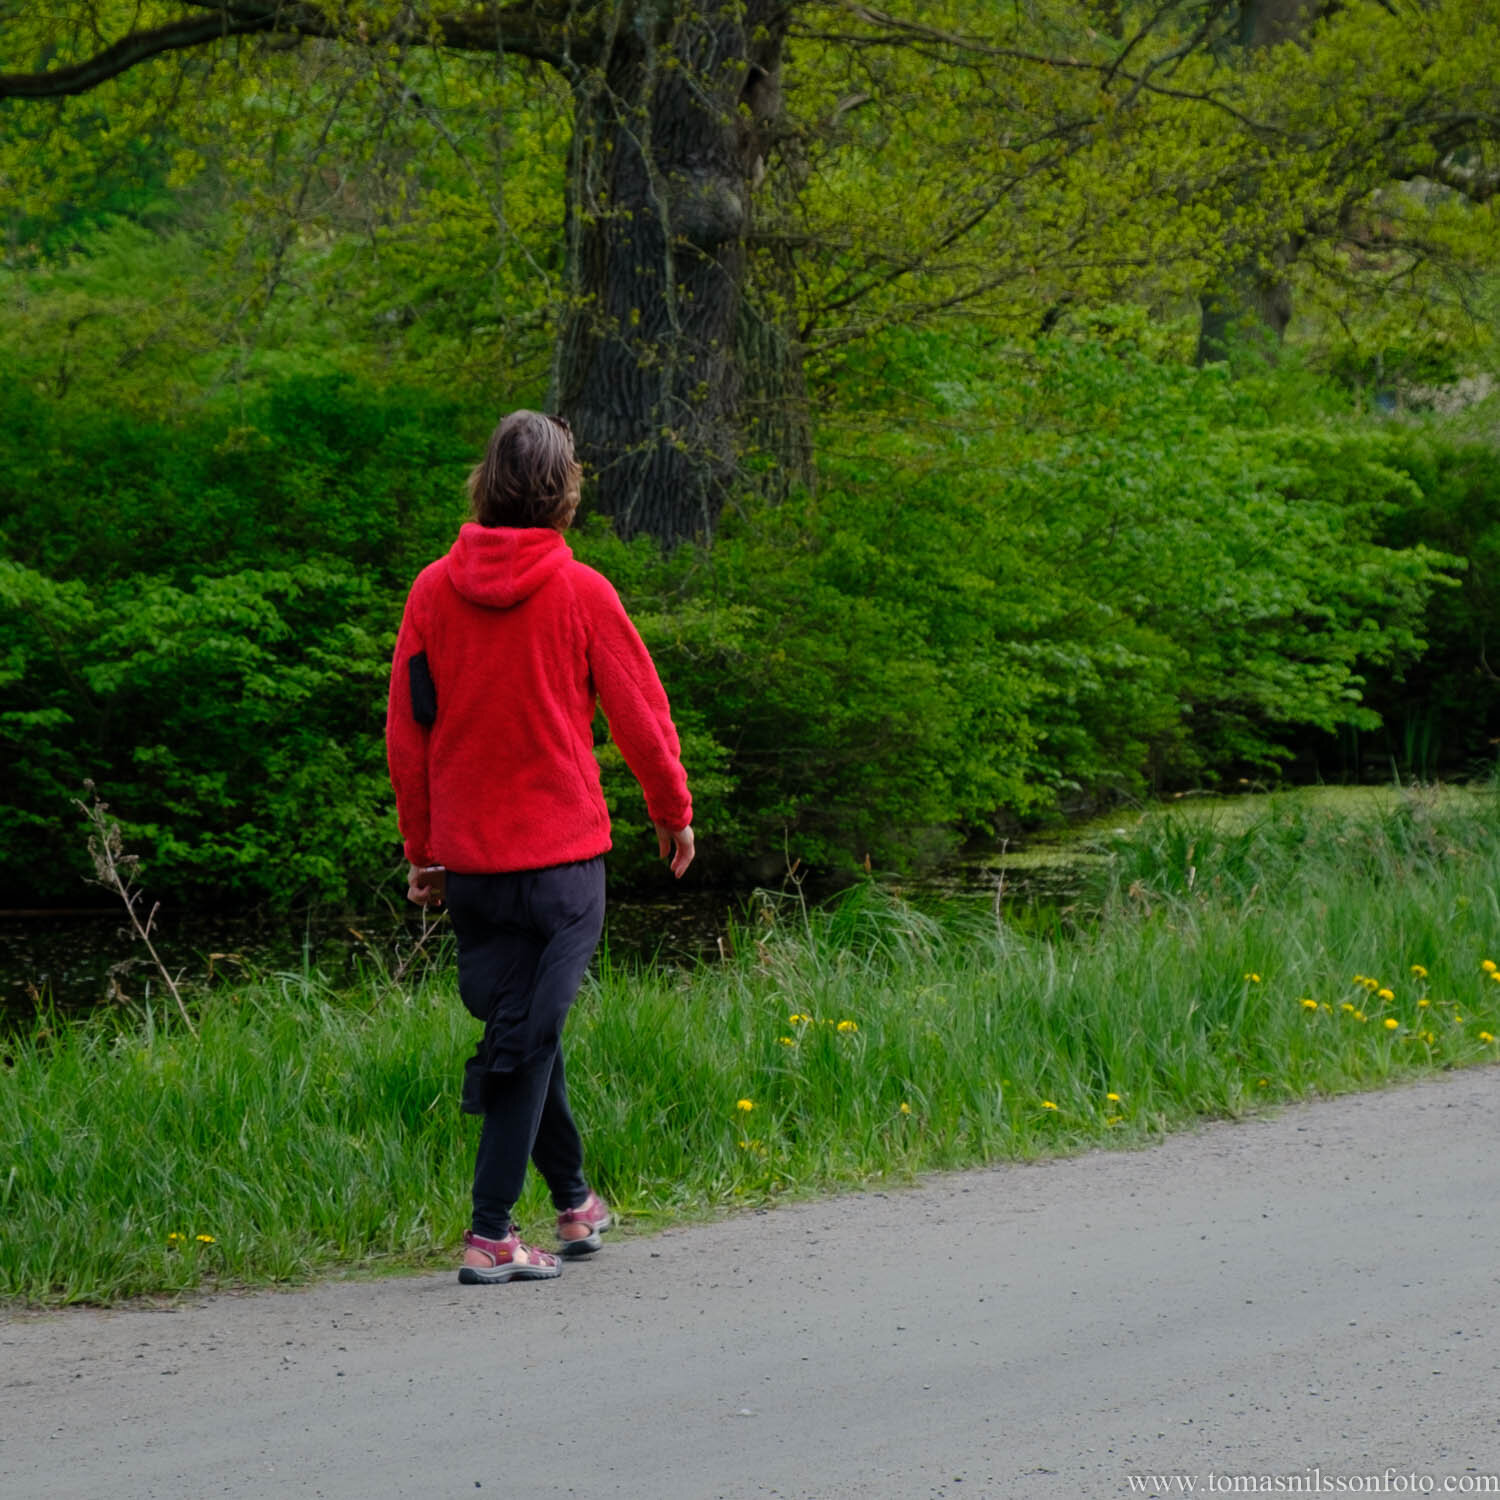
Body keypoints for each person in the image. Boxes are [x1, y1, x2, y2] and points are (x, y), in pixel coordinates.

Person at [386, 410, 694, 1286]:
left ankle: (574, 1202)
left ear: (486, 484)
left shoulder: (430, 593)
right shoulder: (582, 591)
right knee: (526, 1033)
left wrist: (424, 850)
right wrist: (672, 811)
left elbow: (406, 736)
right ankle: (490, 1233)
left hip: (475, 870)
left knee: (528, 1027)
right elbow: (641, 711)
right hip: (561, 868)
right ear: (563, 492)